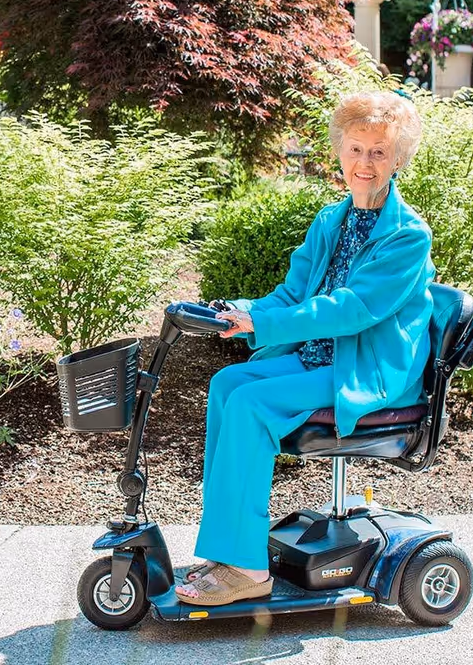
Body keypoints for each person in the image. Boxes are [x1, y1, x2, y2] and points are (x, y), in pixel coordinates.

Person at [175, 91, 435, 607]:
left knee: (252, 404)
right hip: (322, 357)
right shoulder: (331, 221)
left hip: (365, 367)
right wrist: (236, 310)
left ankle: (250, 569)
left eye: (379, 152)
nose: (364, 162)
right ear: (340, 151)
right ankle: (232, 550)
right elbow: (294, 296)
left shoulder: (408, 236)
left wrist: (264, 322)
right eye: (356, 148)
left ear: (398, 158)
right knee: (227, 384)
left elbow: (353, 308)